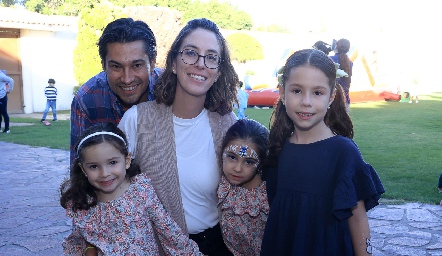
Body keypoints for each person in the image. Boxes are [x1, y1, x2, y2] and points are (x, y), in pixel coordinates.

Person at [118, 18, 238, 255]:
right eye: (191, 53)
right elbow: (109, 187)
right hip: (157, 248)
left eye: (211, 57)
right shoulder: (137, 120)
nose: (200, 64)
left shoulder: (226, 124)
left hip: (215, 246)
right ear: (173, 63)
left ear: (218, 72)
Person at [260, 49, 385, 255]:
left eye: (317, 92)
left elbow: (358, 219)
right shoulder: (277, 148)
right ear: (282, 93)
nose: (306, 101)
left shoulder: (343, 153)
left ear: (331, 97)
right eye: (297, 91)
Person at [60, 122, 203, 255]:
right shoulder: (83, 202)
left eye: (112, 162)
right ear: (83, 169)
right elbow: (78, 241)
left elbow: (168, 230)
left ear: (127, 160)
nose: (104, 173)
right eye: (94, 166)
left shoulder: (140, 190)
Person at [70, 17, 162, 165]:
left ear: (152, 62)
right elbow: (79, 170)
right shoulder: (86, 100)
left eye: (137, 65)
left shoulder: (171, 90)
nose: (127, 79)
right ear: (103, 65)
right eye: (116, 67)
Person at [217, 119, 269, 255]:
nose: (238, 169)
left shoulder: (269, 198)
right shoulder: (223, 184)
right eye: (232, 157)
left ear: (261, 163)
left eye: (249, 162)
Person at [330, 38, 353, 109]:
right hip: (345, 100)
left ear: (337, 46)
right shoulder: (350, 62)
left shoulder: (330, 59)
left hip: (331, 101)